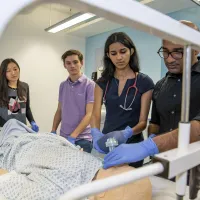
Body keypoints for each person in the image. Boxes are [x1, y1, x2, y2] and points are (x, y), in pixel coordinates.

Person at [102, 20, 200, 169]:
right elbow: (155, 124)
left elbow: (197, 127)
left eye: (178, 52)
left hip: (194, 168)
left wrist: (148, 146)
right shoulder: (161, 85)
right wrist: (152, 148)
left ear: (196, 49)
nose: (169, 59)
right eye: (165, 52)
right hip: (164, 165)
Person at [0, 119, 152, 200]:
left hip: (11, 144)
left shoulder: (55, 193)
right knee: (12, 121)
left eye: (119, 168)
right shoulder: (96, 164)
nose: (121, 162)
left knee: (10, 123)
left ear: (102, 193)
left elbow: (6, 179)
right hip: (35, 137)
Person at [90, 32, 154, 167]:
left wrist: (127, 133)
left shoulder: (144, 82)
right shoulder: (102, 83)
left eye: (123, 51)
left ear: (131, 51)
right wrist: (95, 133)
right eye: (113, 53)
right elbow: (95, 114)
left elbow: (143, 122)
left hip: (132, 147)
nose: (119, 57)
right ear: (108, 55)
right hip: (107, 144)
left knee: (130, 185)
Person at [51, 50, 94, 153]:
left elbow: (90, 114)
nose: (72, 66)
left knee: (82, 169)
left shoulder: (90, 85)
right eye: (68, 63)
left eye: (75, 62)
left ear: (81, 63)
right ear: (64, 65)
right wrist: (53, 130)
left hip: (83, 139)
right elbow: (59, 110)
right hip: (64, 137)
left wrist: (73, 135)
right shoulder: (63, 85)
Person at [0, 58, 39, 132]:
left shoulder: (24, 86)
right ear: (3, 73)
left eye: (15, 69)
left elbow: (27, 108)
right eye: (8, 71)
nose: (13, 73)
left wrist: (32, 122)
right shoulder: (1, 89)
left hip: (22, 128)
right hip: (6, 130)